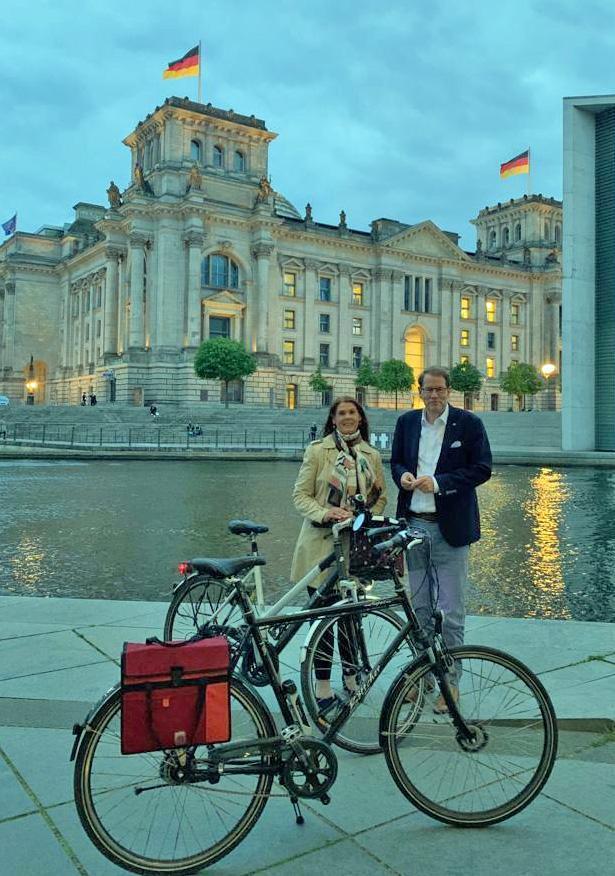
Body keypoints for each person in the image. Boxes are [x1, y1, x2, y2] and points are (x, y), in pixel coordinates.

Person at [390, 366, 492, 713]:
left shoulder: (469, 424)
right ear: (419, 391)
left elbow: (482, 469)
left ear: (449, 391)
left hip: (451, 531)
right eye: (428, 390)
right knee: (418, 611)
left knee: (451, 611)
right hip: (414, 527)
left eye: (440, 390)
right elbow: (397, 461)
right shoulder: (406, 423)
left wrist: (439, 482)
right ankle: (423, 678)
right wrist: (402, 475)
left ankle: (451, 682)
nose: (434, 396)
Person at [290, 396, 387, 710]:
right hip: (320, 545)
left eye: (352, 412)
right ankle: (322, 685)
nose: (347, 417)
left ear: (360, 418)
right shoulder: (318, 451)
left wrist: (363, 518)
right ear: (333, 419)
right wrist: (325, 513)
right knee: (322, 620)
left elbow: (381, 497)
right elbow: (300, 496)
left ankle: (350, 674)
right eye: (341, 413)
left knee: (350, 616)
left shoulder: (370, 454)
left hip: (355, 546)